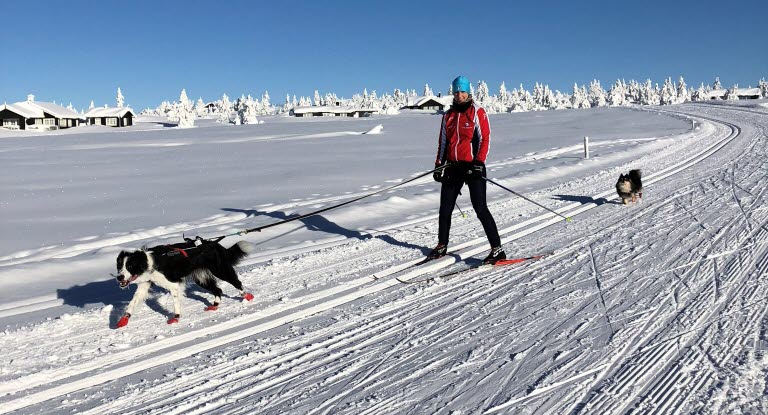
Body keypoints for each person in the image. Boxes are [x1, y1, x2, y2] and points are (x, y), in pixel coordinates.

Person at [429, 75, 505, 264]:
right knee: (445, 208)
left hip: (472, 167)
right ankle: (442, 245)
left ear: (468, 92)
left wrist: (479, 162)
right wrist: (439, 164)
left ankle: (497, 249)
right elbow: (444, 142)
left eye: (462, 91)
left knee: (480, 208)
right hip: (453, 167)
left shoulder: (477, 112)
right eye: (456, 91)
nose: (459, 95)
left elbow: (485, 139)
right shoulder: (448, 115)